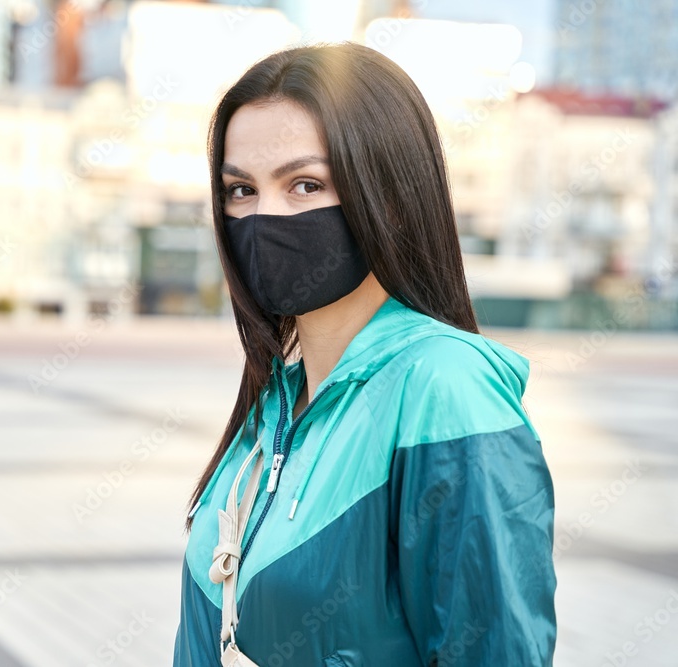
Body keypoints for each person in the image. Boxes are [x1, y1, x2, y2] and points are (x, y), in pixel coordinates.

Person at [172, 42, 556, 666]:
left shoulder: (445, 387)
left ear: (391, 196)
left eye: (305, 184)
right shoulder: (275, 405)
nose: (265, 215)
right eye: (240, 189)